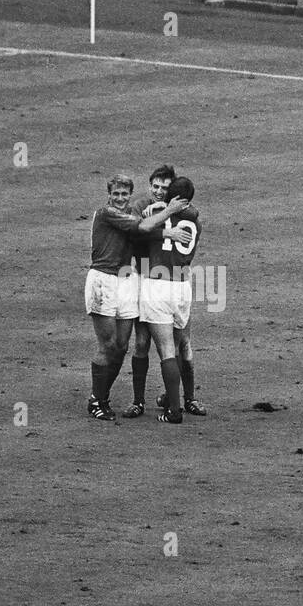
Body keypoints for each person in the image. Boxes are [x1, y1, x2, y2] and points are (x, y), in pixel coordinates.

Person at [85, 176, 188, 421]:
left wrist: (164, 229)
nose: (120, 198)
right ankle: (97, 401)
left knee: (121, 345)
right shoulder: (106, 212)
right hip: (103, 279)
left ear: (130, 195)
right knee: (107, 345)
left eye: (124, 194)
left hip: (125, 279)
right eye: (116, 193)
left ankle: (101, 396)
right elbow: (142, 228)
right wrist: (170, 215)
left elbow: (142, 231)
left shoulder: (133, 214)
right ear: (109, 194)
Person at [123, 166, 202, 419]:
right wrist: (166, 214)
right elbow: (134, 232)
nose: (158, 191)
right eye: (154, 186)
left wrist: (163, 213)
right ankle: (142, 402)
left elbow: (144, 229)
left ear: (172, 193)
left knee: (176, 347)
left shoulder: (157, 211)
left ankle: (180, 403)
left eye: (164, 188)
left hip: (157, 282)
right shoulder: (146, 208)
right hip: (163, 281)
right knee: (144, 343)